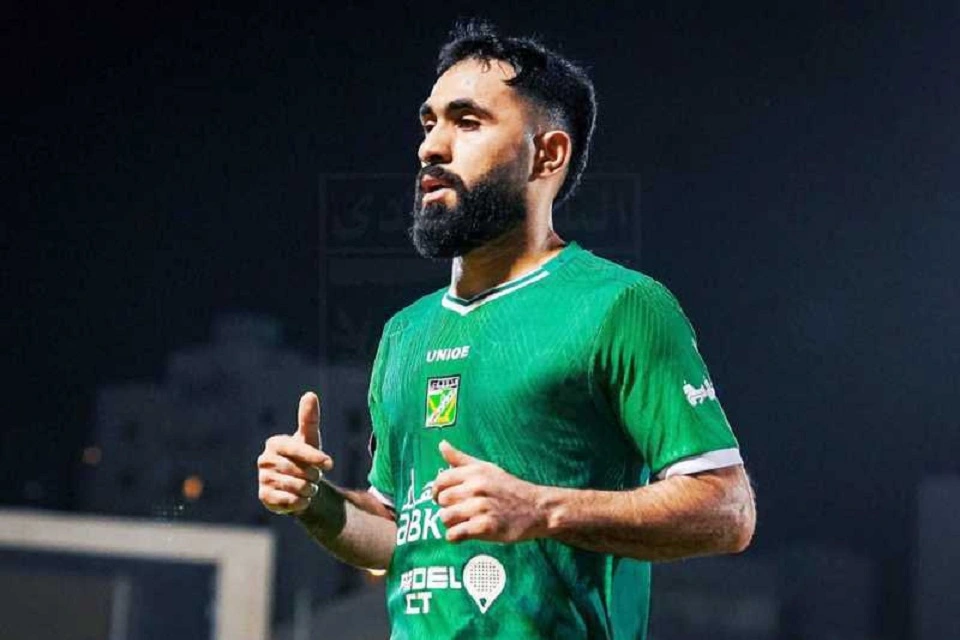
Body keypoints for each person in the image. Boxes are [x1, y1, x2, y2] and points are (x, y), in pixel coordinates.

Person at [257, 21, 756, 639]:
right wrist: (315, 500)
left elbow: (727, 510)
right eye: (429, 123)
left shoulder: (621, 306)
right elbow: (398, 538)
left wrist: (542, 508)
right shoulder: (404, 334)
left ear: (548, 155)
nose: (431, 147)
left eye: (467, 122)